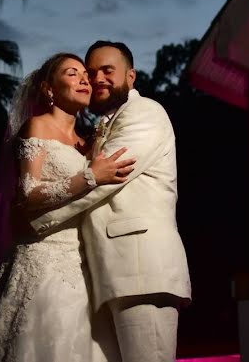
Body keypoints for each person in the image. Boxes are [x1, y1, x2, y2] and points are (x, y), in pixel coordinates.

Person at [29, 41, 192, 362]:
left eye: (108, 70)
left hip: (142, 270)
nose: (97, 78)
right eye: (92, 72)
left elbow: (107, 179)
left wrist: (40, 221)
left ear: (131, 76)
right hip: (113, 272)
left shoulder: (146, 112)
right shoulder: (103, 124)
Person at [0, 52, 134, 362]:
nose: (84, 79)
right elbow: (27, 194)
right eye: (72, 73)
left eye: (85, 74)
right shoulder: (37, 127)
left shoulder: (88, 142)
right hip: (41, 259)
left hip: (83, 263)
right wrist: (90, 176)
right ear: (48, 89)